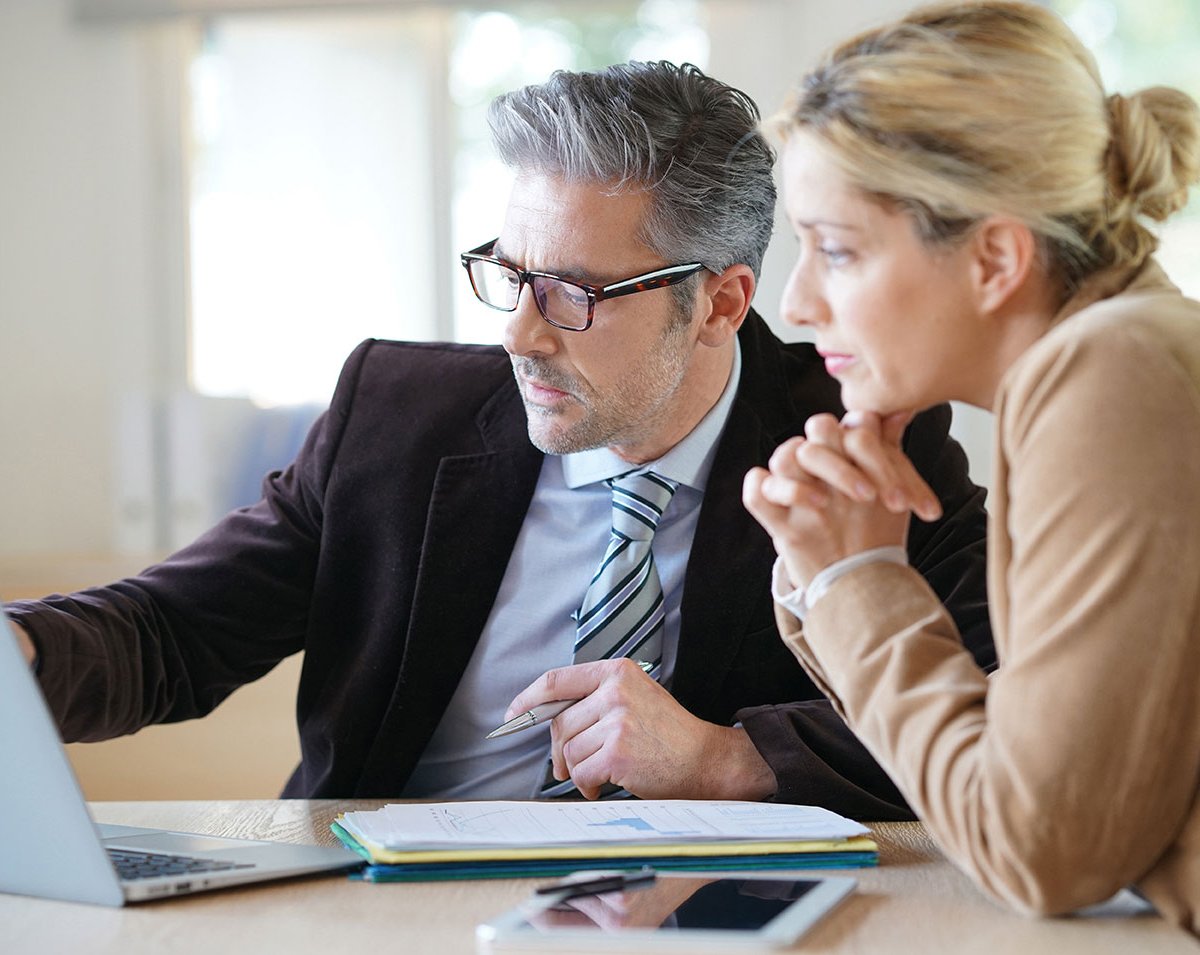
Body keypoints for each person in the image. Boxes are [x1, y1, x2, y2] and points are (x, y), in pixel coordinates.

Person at [6, 61, 992, 812]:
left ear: (719, 302)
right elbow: (168, 633)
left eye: (571, 293)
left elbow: (1000, 715)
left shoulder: (860, 435)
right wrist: (20, 655)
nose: (519, 333)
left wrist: (728, 758)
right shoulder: (394, 416)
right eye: (510, 275)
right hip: (381, 920)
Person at [743, 0, 1200, 932]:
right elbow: (1034, 800)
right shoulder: (1123, 354)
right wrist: (837, 573)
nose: (795, 303)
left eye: (835, 249)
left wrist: (855, 576)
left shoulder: (1111, 367)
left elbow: (1040, 845)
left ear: (994, 257)